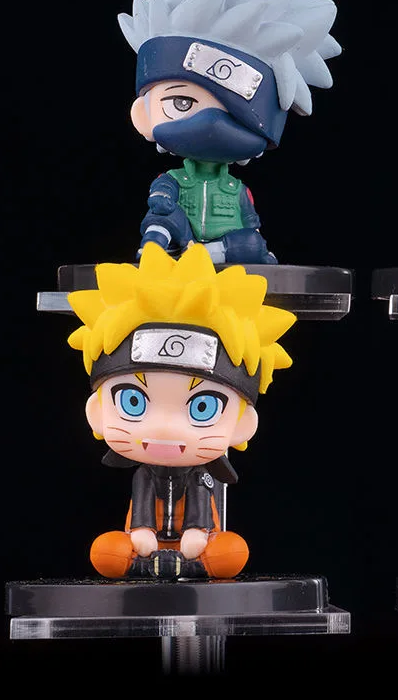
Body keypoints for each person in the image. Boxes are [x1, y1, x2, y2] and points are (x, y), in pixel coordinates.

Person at [66, 241, 296, 579]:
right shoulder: (144, 474)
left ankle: (198, 560)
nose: (165, 427)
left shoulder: (202, 474)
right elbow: (141, 505)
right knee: (107, 552)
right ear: (97, 413)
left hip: (195, 544)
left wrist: (197, 533)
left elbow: (202, 502)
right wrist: (142, 533)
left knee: (229, 553)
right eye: (133, 401)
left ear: (243, 425)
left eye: (203, 407)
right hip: (145, 542)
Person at [118, 0, 342, 265]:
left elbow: (250, 225)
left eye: (237, 116)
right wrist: (163, 206)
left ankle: (199, 256)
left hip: (220, 254)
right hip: (178, 239)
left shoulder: (236, 190)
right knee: (162, 218)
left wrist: (253, 248)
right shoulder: (174, 180)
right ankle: (157, 251)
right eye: (182, 102)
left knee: (251, 242)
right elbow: (160, 203)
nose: (212, 123)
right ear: (142, 116)